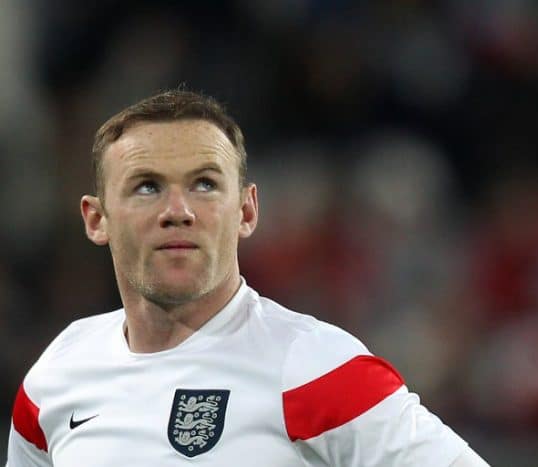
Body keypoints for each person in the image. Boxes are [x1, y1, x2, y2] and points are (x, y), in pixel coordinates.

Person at [5, 90, 489, 466]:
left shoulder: (313, 367)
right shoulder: (56, 377)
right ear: (96, 218)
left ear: (246, 210)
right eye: (147, 186)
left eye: (205, 184)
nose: (179, 211)